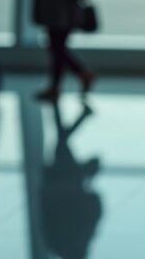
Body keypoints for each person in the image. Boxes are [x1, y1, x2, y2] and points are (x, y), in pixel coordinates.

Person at [41, 101, 102, 259]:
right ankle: (59, 105)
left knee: (61, 142)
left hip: (67, 182)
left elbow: (94, 208)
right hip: (61, 182)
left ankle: (79, 113)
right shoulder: (57, 245)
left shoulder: (80, 239)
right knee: (61, 142)